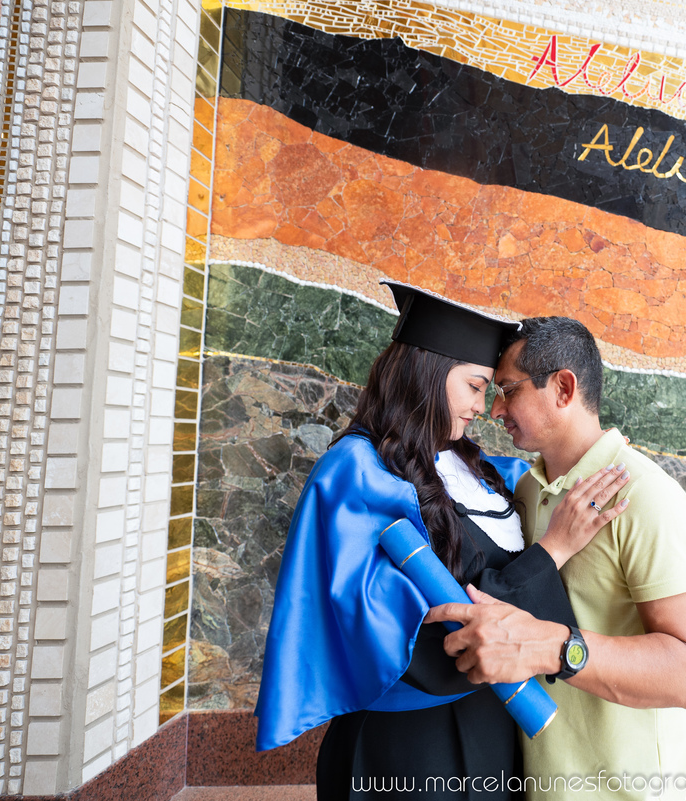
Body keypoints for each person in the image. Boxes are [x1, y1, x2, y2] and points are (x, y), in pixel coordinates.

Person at [254, 285, 631, 801]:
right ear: (429, 372)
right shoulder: (359, 475)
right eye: (476, 386)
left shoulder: (476, 469)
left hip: (496, 733)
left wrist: (598, 457)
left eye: (495, 390)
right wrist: (554, 549)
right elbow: (426, 639)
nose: (485, 407)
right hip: (408, 751)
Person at [427, 317, 686, 801]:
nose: (494, 409)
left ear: (563, 387)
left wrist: (557, 647)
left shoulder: (644, 496)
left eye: (509, 390)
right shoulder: (526, 489)